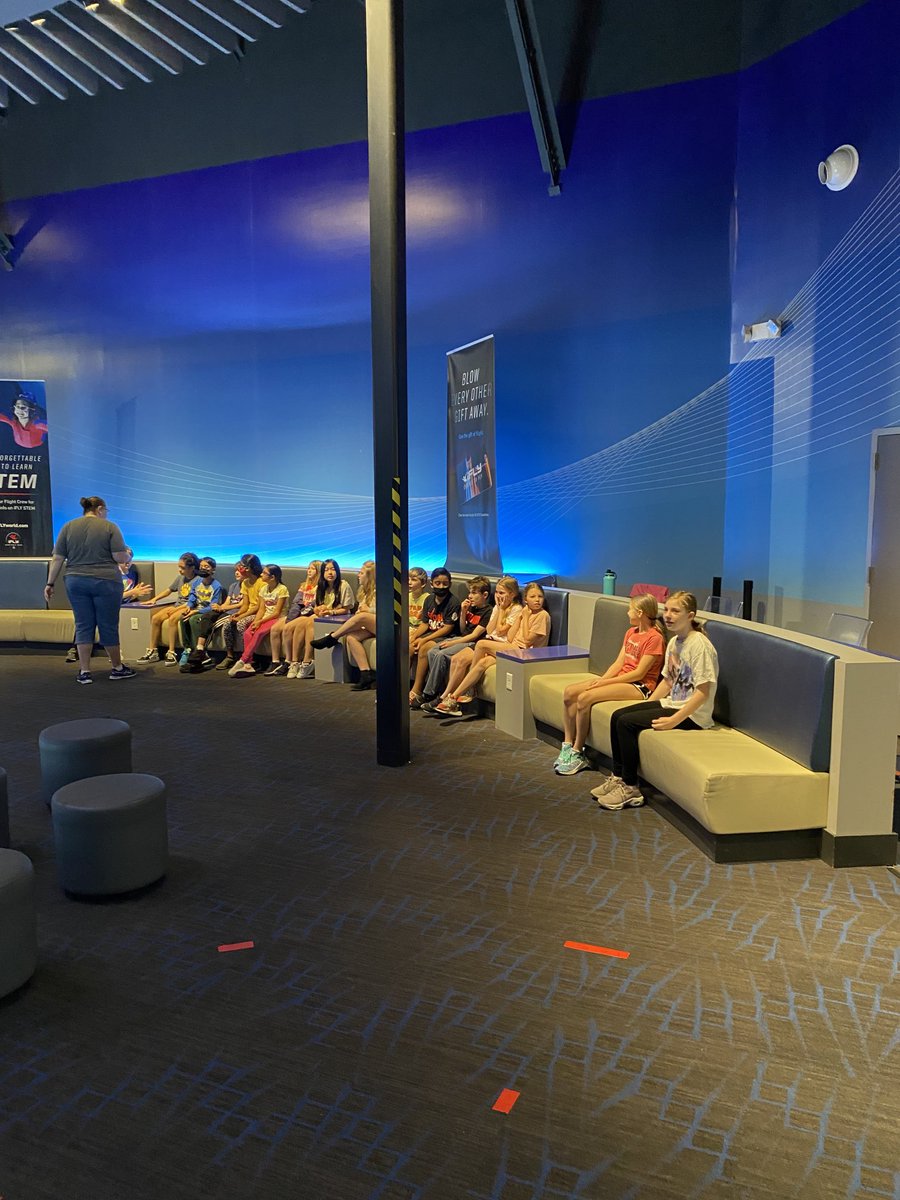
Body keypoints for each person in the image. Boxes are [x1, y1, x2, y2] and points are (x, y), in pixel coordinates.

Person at [592, 591, 719, 811]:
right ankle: (618, 777)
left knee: (627, 723)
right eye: (666, 610)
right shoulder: (675, 642)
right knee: (619, 715)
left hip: (694, 715)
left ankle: (631, 788)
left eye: (675, 611)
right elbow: (668, 682)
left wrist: (674, 721)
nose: (668, 615)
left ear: (690, 616)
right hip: (673, 703)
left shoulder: (700, 645)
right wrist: (646, 704)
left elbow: (703, 692)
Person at [555, 594, 666, 775]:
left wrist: (606, 683)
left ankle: (578, 751)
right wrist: (601, 680)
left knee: (584, 698)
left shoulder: (655, 638)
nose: (627, 612)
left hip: (640, 686)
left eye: (630, 609)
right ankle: (567, 745)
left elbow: (639, 673)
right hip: (623, 679)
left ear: (640, 612)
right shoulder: (631, 633)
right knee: (569, 692)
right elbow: (619, 663)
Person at [44, 495, 137, 684]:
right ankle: (117, 668)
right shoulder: (110, 527)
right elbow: (119, 557)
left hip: (75, 581)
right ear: (100, 509)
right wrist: (128, 556)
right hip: (106, 581)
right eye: (106, 511)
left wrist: (50, 583)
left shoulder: (68, 527)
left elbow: (58, 558)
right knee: (108, 625)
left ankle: (85, 671)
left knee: (83, 624)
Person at [430, 581, 549, 717]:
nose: (537, 600)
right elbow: (510, 637)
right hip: (513, 647)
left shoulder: (542, 615)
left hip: (526, 653)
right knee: (482, 663)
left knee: (481, 644)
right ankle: (452, 699)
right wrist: (520, 618)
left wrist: (525, 618)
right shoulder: (524, 612)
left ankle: (470, 689)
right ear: (525, 600)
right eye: (533, 597)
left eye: (540, 596)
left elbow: (527, 640)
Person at [413, 576, 493, 708]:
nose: (470, 596)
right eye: (469, 592)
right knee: (432, 651)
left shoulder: (488, 611)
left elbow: (473, 636)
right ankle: (436, 689)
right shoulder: (471, 608)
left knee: (441, 654)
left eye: (474, 593)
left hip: (471, 642)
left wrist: (453, 643)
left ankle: (429, 693)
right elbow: (463, 629)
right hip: (461, 638)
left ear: (484, 595)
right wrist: (463, 613)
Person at [310, 560, 378, 690]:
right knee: (351, 638)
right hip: (370, 626)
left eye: (361, 573)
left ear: (370, 576)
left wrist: (368, 610)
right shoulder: (363, 591)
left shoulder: (380, 591)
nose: (358, 575)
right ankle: (366, 674)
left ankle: (332, 637)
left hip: (384, 625)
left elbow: (386, 611)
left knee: (362, 616)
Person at [287, 558, 353, 680]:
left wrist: (331, 611)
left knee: (310, 623)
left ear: (337, 571)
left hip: (338, 616)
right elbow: (317, 606)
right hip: (324, 615)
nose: (330, 572)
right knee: (300, 624)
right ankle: (294, 662)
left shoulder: (344, 585)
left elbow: (347, 608)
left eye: (333, 569)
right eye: (326, 570)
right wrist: (318, 610)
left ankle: (307, 661)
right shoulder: (320, 587)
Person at [408, 567, 462, 707]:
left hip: (447, 637)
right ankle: (401, 685)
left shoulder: (453, 602)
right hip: (431, 633)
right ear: (432, 584)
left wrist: (425, 639)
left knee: (425, 648)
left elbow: (448, 628)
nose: (441, 587)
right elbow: (425, 624)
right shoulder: (429, 600)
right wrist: (414, 636)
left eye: (445, 583)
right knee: (409, 646)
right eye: (438, 583)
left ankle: (417, 690)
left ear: (450, 584)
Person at [137, 552, 200, 662]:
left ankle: (171, 652)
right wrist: (154, 599)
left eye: (183, 568)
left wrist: (176, 609)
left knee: (173, 619)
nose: (180, 570)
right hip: (177, 605)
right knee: (155, 618)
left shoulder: (198, 580)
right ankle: (153, 650)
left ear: (192, 568)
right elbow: (169, 590)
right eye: (179, 567)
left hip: (189, 607)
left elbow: (193, 601)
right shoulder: (180, 578)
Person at [228, 564, 290, 676]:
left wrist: (260, 622)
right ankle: (248, 664)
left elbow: (277, 613)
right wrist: (256, 622)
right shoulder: (263, 589)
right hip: (265, 617)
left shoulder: (282, 589)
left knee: (259, 633)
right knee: (248, 632)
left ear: (272, 577)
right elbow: (261, 609)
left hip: (278, 618)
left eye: (264, 573)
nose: (261, 574)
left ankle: (243, 660)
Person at [264, 559, 322, 677]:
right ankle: (275, 661)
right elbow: (296, 603)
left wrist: (297, 617)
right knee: (275, 629)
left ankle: (289, 661)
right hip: (297, 613)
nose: (309, 571)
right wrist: (291, 617)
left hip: (307, 615)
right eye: (308, 568)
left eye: (312, 569)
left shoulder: (320, 587)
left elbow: (314, 605)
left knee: (288, 628)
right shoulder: (303, 585)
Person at [183, 564, 244, 671]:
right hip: (226, 610)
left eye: (239, 571)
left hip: (236, 612)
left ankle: (227, 656)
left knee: (217, 625)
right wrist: (220, 607)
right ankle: (199, 649)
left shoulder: (248, 587)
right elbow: (227, 602)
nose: (236, 573)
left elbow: (241, 604)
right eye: (236, 570)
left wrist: (222, 608)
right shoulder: (233, 586)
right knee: (207, 617)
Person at [216, 553, 265, 670]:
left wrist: (242, 617)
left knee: (241, 624)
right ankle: (230, 656)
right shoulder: (246, 583)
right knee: (228, 623)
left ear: (250, 568)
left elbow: (258, 607)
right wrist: (237, 614)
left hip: (259, 613)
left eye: (243, 566)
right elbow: (245, 605)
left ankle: (248, 658)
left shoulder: (262, 583)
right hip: (249, 611)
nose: (239, 569)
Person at [176, 558, 225, 668]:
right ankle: (188, 648)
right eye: (202, 566)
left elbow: (213, 606)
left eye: (206, 566)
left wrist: (196, 611)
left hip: (205, 611)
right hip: (195, 608)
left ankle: (198, 651)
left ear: (213, 569)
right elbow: (192, 596)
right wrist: (189, 606)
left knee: (194, 620)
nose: (203, 568)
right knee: (183, 618)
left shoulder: (216, 586)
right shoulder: (197, 582)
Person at [407, 567, 431, 666]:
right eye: (408, 579)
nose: (409, 582)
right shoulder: (405, 596)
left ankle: (403, 674)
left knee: (409, 648)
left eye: (413, 580)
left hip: (420, 630)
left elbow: (426, 623)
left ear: (423, 583)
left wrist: (414, 635)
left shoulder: (428, 598)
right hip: (407, 628)